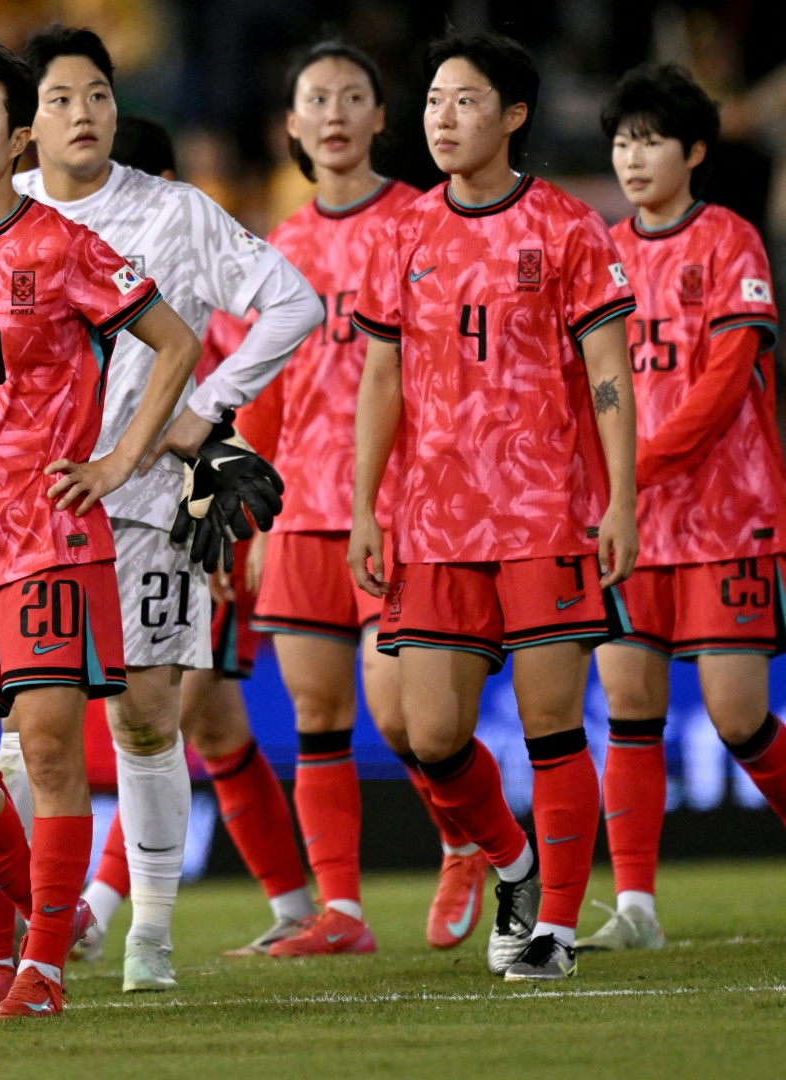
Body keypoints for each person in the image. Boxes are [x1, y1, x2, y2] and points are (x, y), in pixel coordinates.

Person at [0, 41, 205, 1017]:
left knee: (50, 753)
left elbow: (172, 340)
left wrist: (117, 461)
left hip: (45, 537)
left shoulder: (59, 244)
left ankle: (41, 965)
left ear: (18, 137)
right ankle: (25, 932)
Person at [0, 25, 321, 989]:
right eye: (60, 98)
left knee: (145, 718)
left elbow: (293, 300)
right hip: (16, 512)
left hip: (140, 501)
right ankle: (34, 929)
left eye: (98, 93)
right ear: (25, 125)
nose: (84, 113)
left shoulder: (174, 213)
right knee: (16, 731)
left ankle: (148, 939)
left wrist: (206, 409)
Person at [350, 32, 639, 983]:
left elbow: (606, 374)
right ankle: (509, 865)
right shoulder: (400, 231)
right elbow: (381, 376)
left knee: (551, 724)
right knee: (429, 736)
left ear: (512, 116)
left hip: (541, 513)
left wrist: (620, 501)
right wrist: (365, 507)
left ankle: (552, 925)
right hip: (432, 521)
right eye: (433, 100)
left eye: (465, 101)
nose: (442, 117)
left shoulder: (564, 227)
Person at [240, 39, 492, 956]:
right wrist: (254, 519)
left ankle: (465, 839)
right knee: (316, 716)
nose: (337, 112)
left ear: (383, 118)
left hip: (401, 507)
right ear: (293, 126)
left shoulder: (423, 223)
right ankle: (339, 912)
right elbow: (259, 394)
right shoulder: (279, 247)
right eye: (318, 98)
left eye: (355, 95)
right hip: (301, 507)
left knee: (401, 715)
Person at [585, 63, 786, 953]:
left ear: (694, 150)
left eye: (650, 139)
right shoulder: (597, 254)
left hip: (726, 513)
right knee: (627, 701)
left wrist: (630, 471)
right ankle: (635, 908)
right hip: (634, 523)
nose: (632, 157)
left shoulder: (731, 241)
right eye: (621, 140)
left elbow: (722, 383)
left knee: (738, 715)